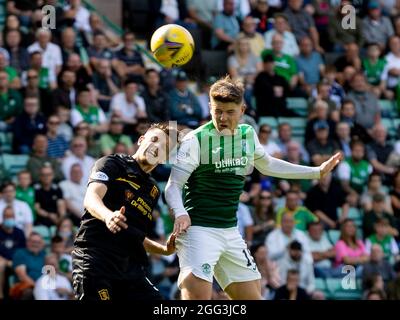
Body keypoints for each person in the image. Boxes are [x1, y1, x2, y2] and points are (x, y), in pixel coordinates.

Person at [165, 76, 342, 300]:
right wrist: (180, 213)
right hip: (199, 231)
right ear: (210, 106)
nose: (222, 117)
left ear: (242, 109)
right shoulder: (195, 140)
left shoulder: (247, 134)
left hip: (230, 231)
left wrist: (316, 172)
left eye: (230, 112)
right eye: (217, 110)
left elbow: (267, 164)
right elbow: (172, 186)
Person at [72, 123, 178, 300]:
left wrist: (164, 250)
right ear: (140, 140)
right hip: (96, 260)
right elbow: (91, 198)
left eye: (164, 147)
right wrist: (108, 216)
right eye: (154, 139)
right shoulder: (111, 164)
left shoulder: (153, 190)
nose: (156, 147)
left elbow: (134, 235)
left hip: (130, 268)